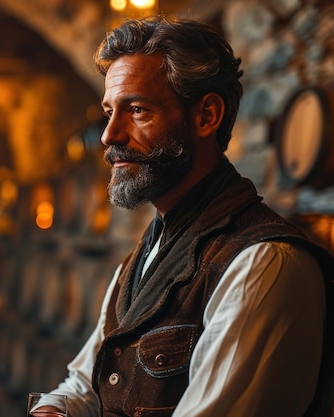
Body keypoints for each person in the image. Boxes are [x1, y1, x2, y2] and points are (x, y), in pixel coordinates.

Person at [33, 15, 334, 417]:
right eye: (109, 112)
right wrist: (52, 410)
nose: (109, 135)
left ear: (206, 116)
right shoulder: (143, 258)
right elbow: (85, 384)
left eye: (136, 110)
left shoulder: (262, 264)